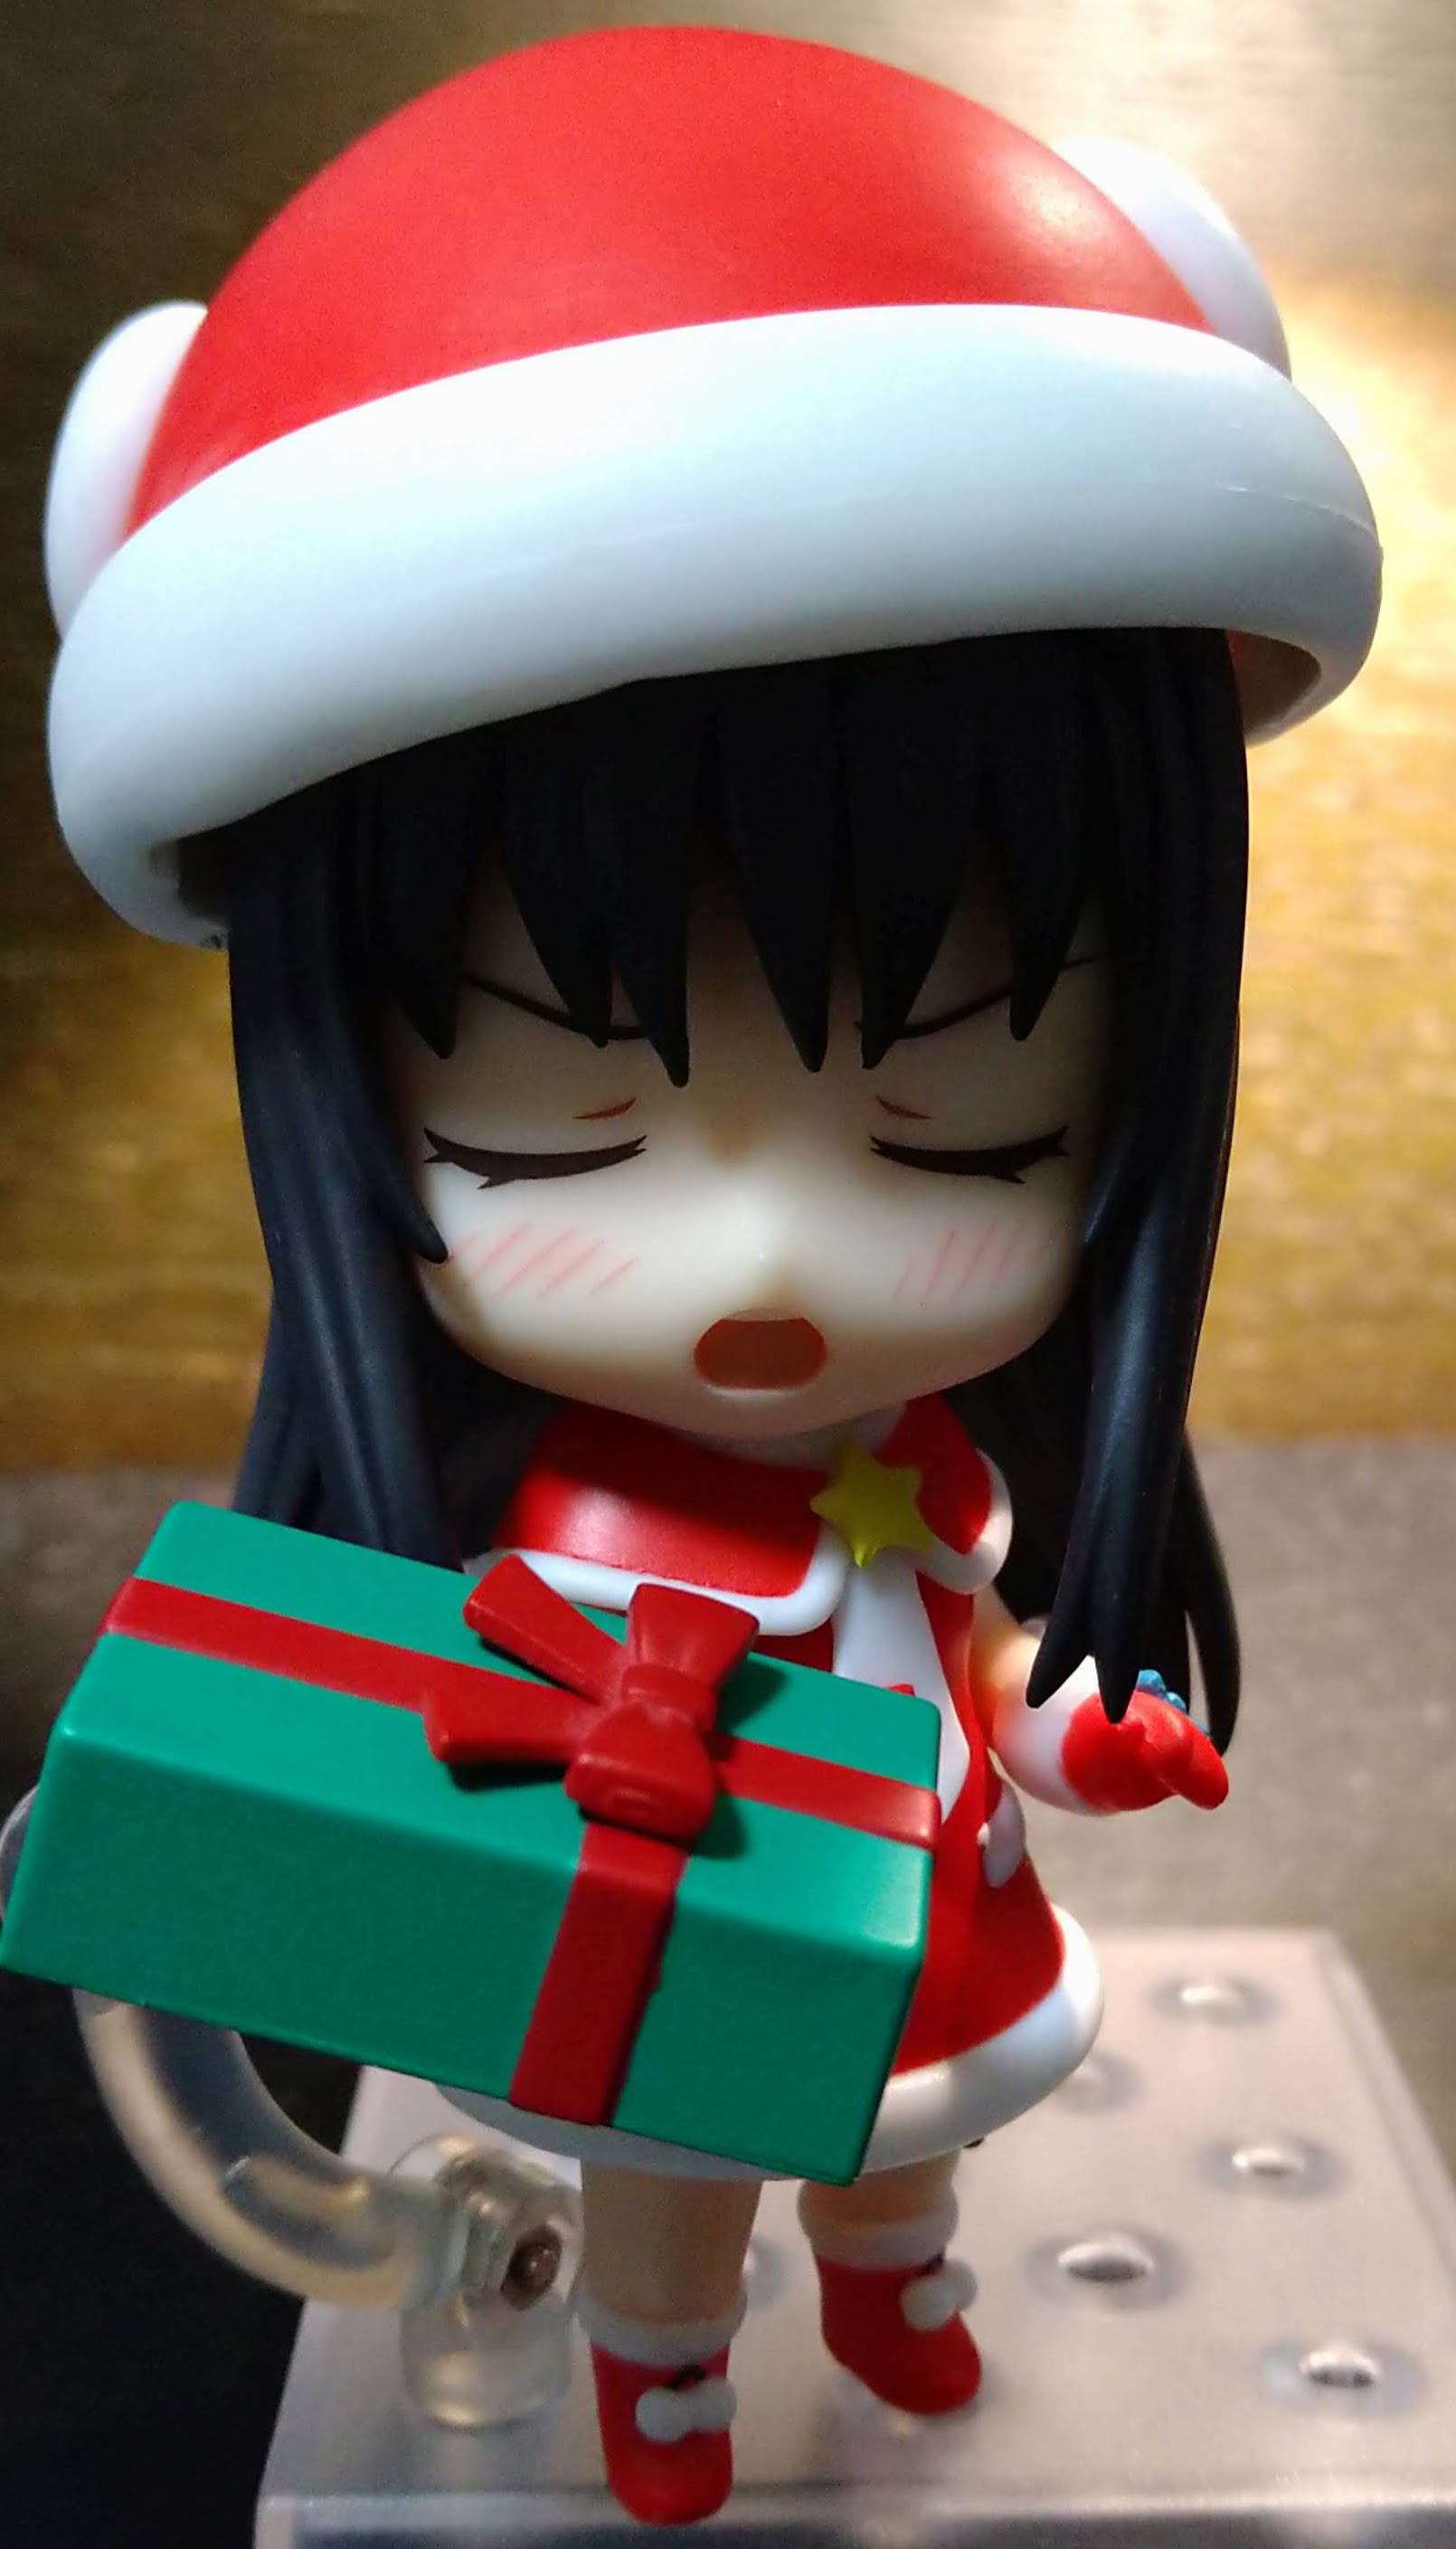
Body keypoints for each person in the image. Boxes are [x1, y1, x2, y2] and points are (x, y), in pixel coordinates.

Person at [39, 25, 1379, 2526]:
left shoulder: (931, 1481)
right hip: (652, 1950)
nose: (763, 1252)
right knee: (668, 2165)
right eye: (560, 1128)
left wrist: (1084, 1733)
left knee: (898, 2139)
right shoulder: (557, 1528)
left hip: (925, 1927)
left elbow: (989, 1663)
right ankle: (663, 2364)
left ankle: (895, 2281)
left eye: (957, 1123)